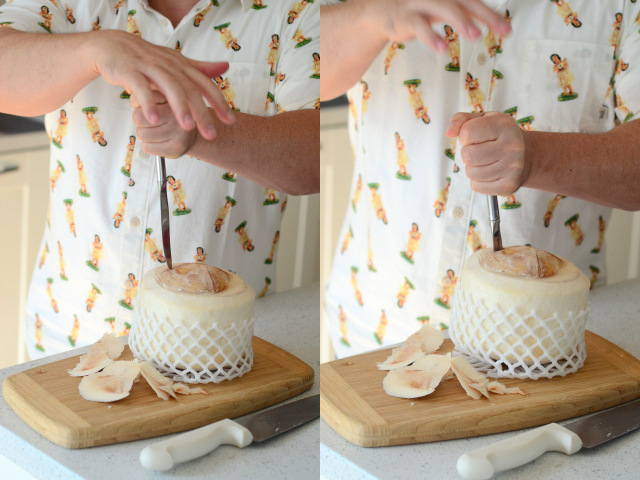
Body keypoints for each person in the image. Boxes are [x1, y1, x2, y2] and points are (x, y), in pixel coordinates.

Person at [0, 0, 319, 359]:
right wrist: (98, 48)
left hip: (217, 345)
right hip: (68, 335)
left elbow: (313, 157)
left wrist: (203, 133)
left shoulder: (300, 9)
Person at [321, 0, 640, 358]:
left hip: (548, 340)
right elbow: (302, 73)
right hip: (374, 325)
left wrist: (539, 157)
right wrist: (370, 16)